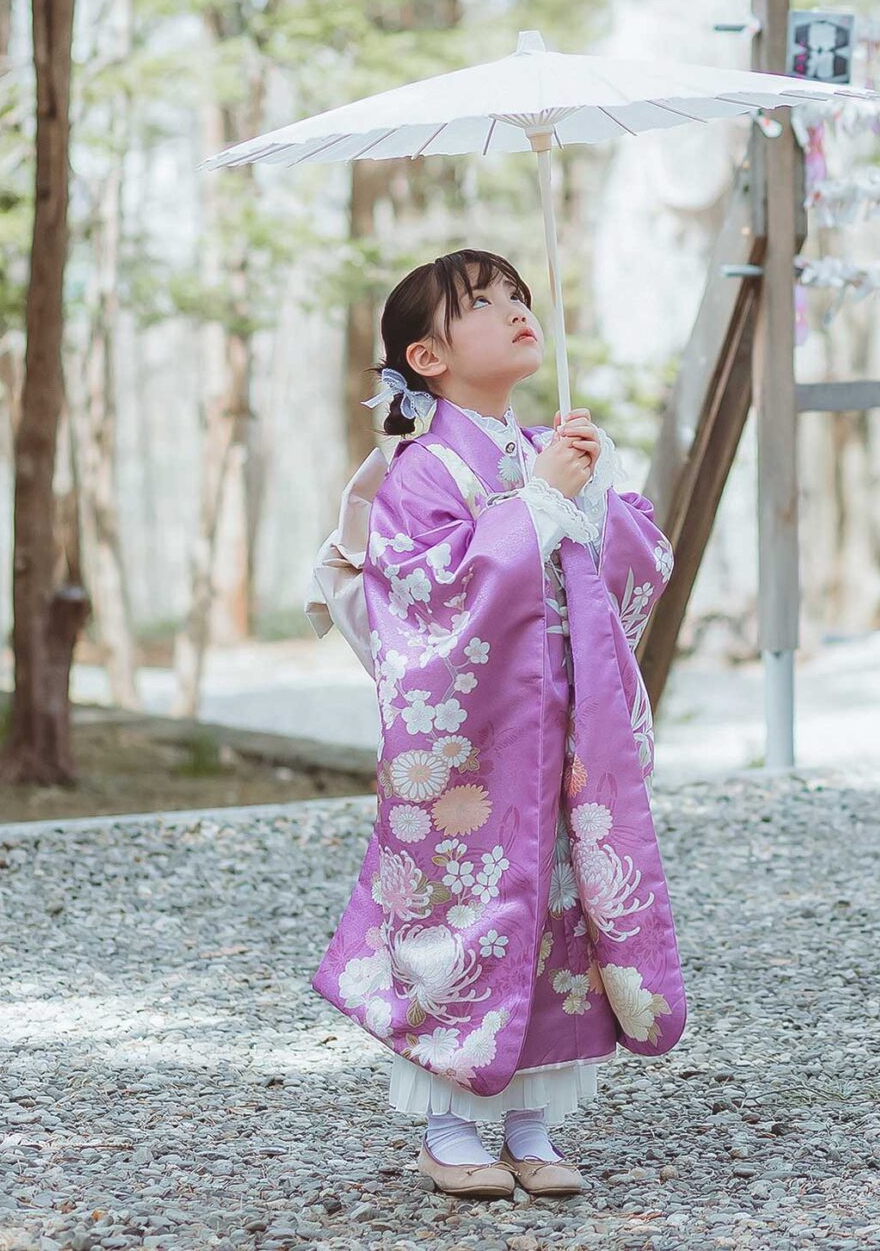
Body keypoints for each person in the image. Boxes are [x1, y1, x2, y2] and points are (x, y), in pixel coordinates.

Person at [305, 249, 686, 1200]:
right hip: (473, 742)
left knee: (559, 906)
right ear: (428, 356)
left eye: (520, 295)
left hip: (563, 733)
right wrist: (543, 502)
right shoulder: (417, 468)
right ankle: (449, 1122)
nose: (518, 311)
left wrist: (589, 492)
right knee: (466, 907)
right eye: (486, 304)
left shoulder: (534, 449)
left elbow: (635, 568)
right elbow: (430, 593)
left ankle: (529, 1120)